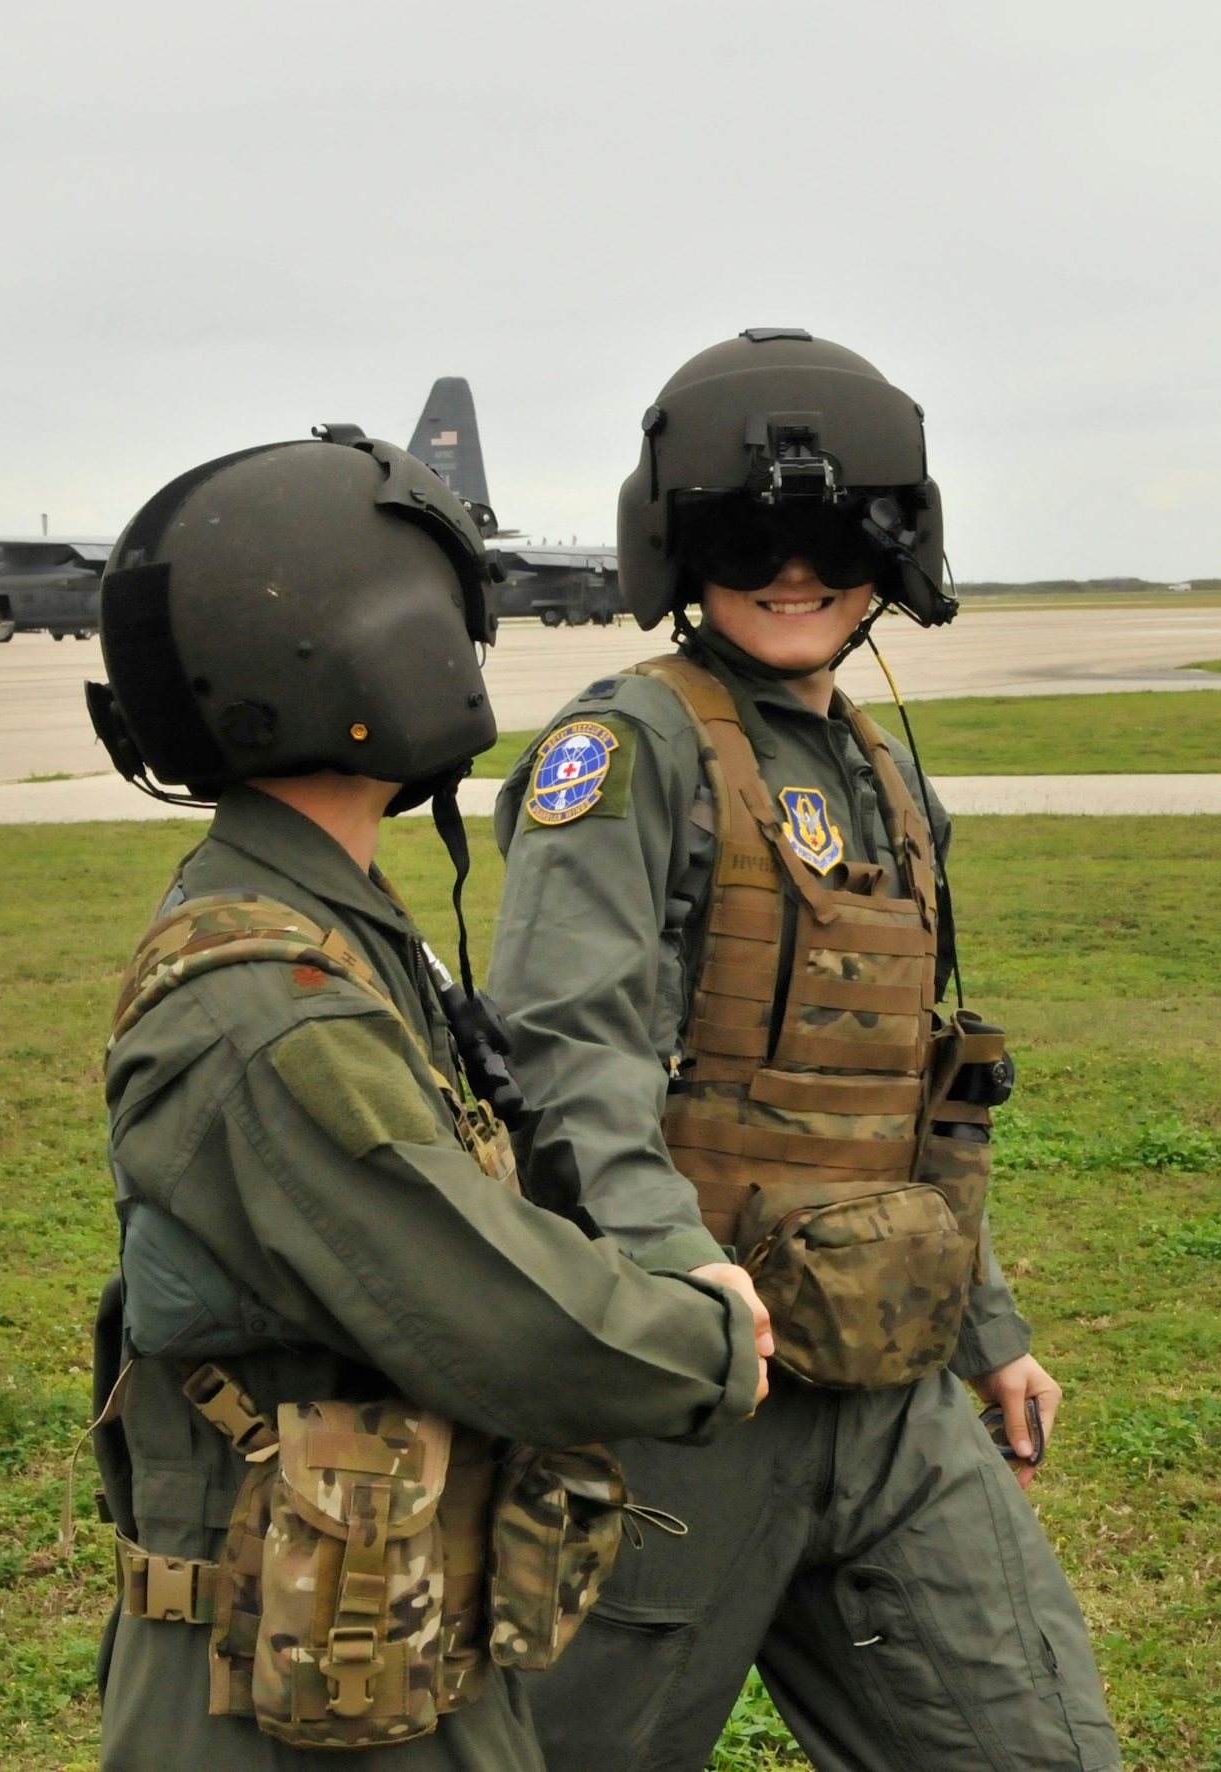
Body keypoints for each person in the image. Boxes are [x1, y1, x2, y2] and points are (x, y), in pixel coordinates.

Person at [81, 427, 772, 1771]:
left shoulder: (333, 928)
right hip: (278, 1698)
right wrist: (711, 1340)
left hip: (368, 1642)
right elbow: (493, 1312)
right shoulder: (269, 1000)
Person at [488, 332, 1122, 1772]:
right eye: (751, 537)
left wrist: (986, 1327)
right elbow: (560, 1046)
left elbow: (906, 1091)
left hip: (889, 1382)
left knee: (1034, 1741)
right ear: (678, 549)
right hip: (693, 1386)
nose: (795, 571)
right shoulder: (630, 748)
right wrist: (672, 1262)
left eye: (836, 535)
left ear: (896, 548)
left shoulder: (885, 773)